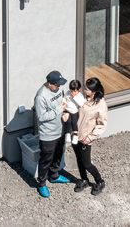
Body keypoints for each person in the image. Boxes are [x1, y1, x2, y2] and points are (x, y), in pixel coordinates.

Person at [33, 70, 71, 198]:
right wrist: (59, 109)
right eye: (57, 84)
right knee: (46, 159)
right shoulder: (41, 97)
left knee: (58, 154)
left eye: (60, 84)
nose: (59, 86)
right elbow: (42, 117)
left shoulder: (58, 89)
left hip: (60, 129)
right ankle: (42, 183)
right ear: (49, 83)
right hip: (48, 134)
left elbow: (62, 103)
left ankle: (54, 175)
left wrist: (64, 112)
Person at [71, 77, 108, 196]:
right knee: (79, 160)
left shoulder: (101, 105)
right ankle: (84, 180)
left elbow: (101, 125)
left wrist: (90, 137)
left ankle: (100, 181)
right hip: (75, 135)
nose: (84, 90)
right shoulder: (81, 97)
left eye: (87, 89)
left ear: (94, 91)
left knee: (87, 163)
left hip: (86, 138)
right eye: (85, 87)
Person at [62, 80, 85, 145]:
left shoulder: (80, 95)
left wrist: (74, 97)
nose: (73, 93)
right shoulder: (68, 93)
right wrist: (64, 102)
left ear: (79, 89)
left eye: (75, 91)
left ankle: (75, 135)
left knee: (74, 123)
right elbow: (64, 98)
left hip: (74, 111)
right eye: (71, 91)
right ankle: (67, 134)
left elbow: (81, 104)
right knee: (68, 121)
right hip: (67, 110)